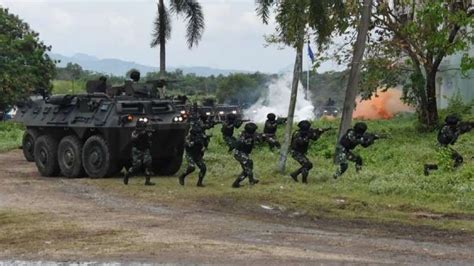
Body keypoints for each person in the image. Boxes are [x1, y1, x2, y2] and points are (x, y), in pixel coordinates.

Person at [123, 117, 155, 186]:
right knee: (136, 166)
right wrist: (141, 134)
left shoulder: (147, 131)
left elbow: (150, 137)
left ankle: (147, 181)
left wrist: (147, 134)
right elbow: (133, 138)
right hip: (137, 150)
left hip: (145, 149)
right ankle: (127, 175)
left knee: (148, 163)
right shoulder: (135, 132)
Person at [232, 123, 260, 188]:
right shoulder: (243, 138)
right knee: (247, 169)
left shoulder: (249, 135)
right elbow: (241, 145)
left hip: (244, 153)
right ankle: (237, 183)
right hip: (240, 153)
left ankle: (251, 179)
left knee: (250, 164)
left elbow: (257, 137)